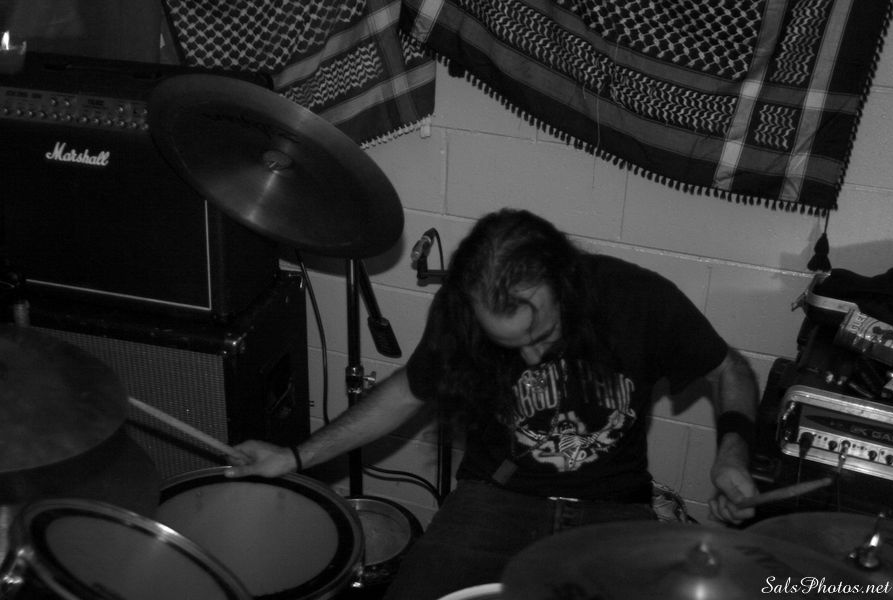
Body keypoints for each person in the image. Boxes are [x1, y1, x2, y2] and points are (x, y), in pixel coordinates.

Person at [226, 207, 759, 599]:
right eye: (509, 344)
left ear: (567, 284)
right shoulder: (459, 311)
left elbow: (729, 369)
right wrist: (294, 457)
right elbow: (407, 391)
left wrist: (733, 451)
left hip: (613, 507)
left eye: (541, 336)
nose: (529, 358)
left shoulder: (639, 298)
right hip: (494, 500)